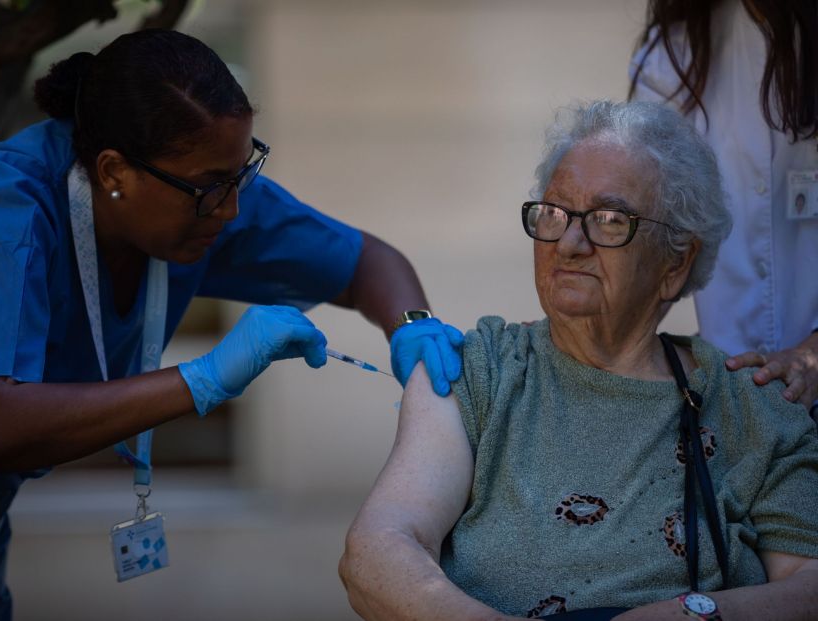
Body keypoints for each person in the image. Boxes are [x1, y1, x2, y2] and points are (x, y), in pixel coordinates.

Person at [0, 30, 462, 620]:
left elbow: (367, 263)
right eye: (214, 188)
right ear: (114, 170)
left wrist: (413, 326)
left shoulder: (195, 188)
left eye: (241, 176)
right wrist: (203, 379)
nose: (233, 209)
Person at [339, 101, 818, 620]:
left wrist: (690, 615)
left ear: (676, 263)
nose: (569, 243)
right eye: (554, 213)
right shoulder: (477, 371)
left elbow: (808, 589)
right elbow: (378, 550)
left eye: (608, 220)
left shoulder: (756, 409)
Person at [629, 0, 818, 411]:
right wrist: (586, 329)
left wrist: (812, 355)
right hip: (732, 398)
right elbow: (650, 231)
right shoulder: (675, 52)